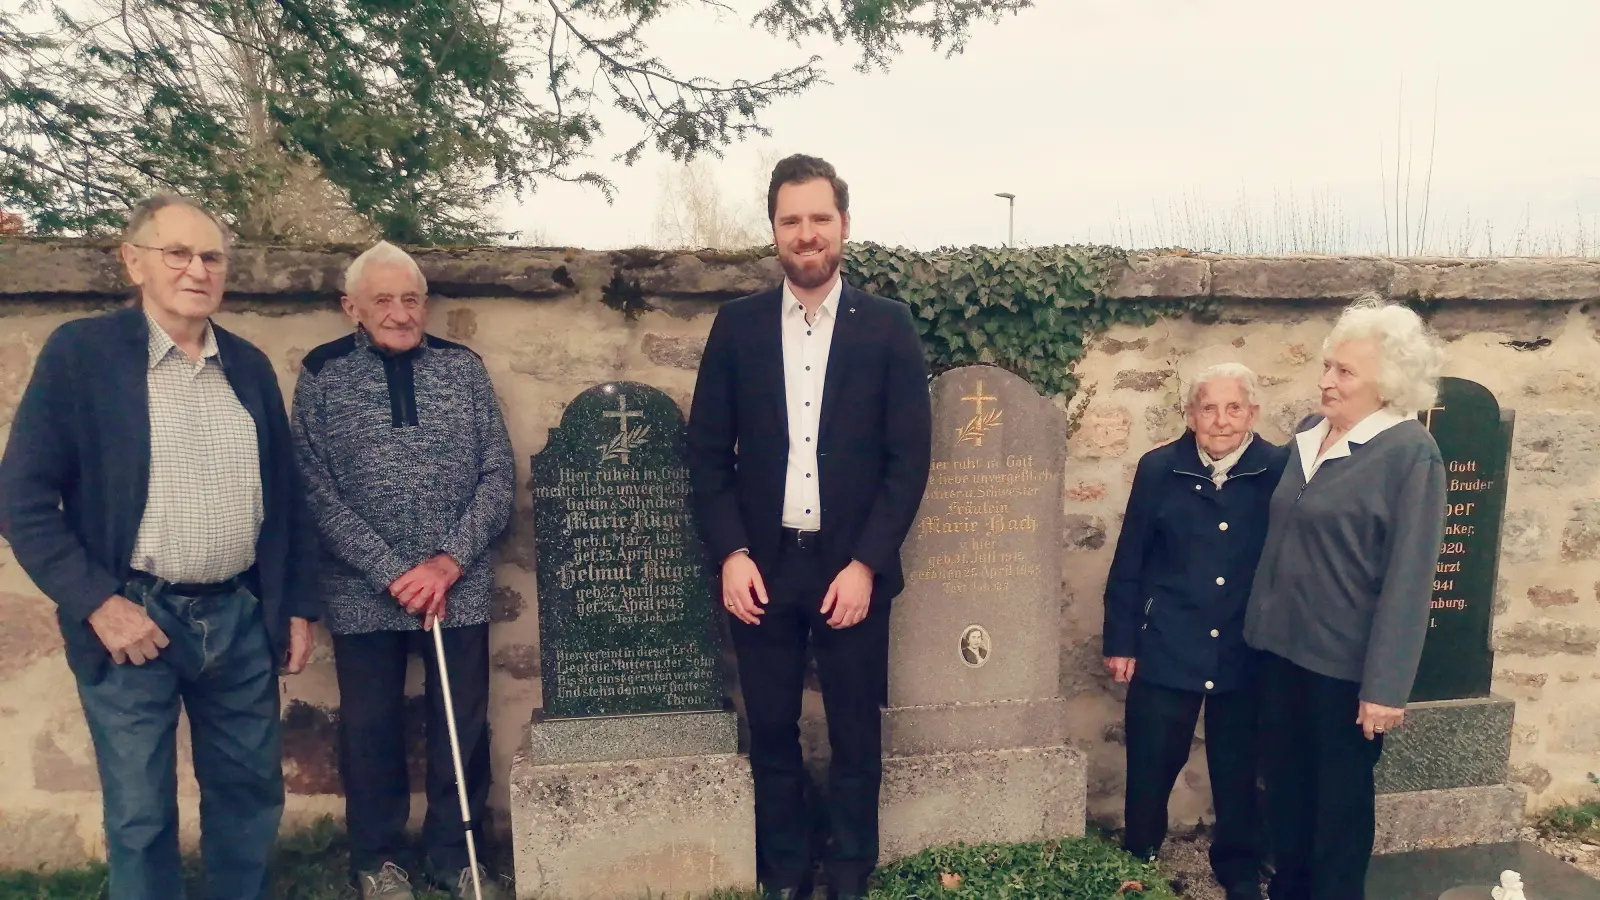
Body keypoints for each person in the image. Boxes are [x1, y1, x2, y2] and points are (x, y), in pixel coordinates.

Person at [0, 194, 319, 900]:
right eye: (177, 252)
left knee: (249, 801)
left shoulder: (250, 366)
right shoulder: (83, 356)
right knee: (141, 817)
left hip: (238, 619)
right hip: (134, 623)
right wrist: (98, 604)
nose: (196, 269)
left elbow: (287, 500)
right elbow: (20, 499)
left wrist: (295, 605)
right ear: (134, 261)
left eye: (211, 256)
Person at [685, 154, 933, 900]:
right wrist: (730, 552)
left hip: (849, 568)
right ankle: (787, 871)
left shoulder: (888, 327)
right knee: (772, 729)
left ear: (844, 226)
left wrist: (865, 563)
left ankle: (852, 872)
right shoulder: (737, 328)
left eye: (819, 218)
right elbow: (706, 454)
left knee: (856, 732)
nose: (806, 234)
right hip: (763, 565)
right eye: (791, 220)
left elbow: (908, 460)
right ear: (774, 231)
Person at [290, 241, 515, 900]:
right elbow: (313, 488)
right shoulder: (323, 375)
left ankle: (459, 854)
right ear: (351, 307)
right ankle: (378, 859)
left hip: (456, 585)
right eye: (382, 299)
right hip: (365, 588)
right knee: (370, 728)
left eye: (410, 298)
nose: (398, 312)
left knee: (461, 723)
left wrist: (446, 563)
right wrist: (392, 570)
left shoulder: (463, 369)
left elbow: (498, 474)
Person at [1244, 295, 1447, 900]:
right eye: (1327, 366)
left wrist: (1384, 688)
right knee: (1284, 799)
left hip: (1342, 671)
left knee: (1337, 815)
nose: (1325, 381)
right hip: (1278, 654)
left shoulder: (1411, 454)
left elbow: (1410, 579)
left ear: (1384, 383)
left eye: (1343, 372)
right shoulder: (1309, 434)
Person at [1102, 363, 1288, 900]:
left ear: (1252, 413)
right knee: (1152, 759)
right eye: (1209, 408)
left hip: (1243, 645)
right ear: (1190, 414)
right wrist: (1121, 639)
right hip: (1168, 640)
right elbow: (1130, 559)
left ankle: (1238, 868)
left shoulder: (1278, 470)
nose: (1222, 420)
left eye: (1234, 408)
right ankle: (1141, 855)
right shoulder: (1160, 468)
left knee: (1240, 767)